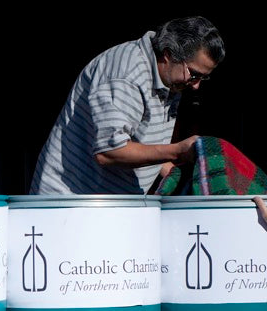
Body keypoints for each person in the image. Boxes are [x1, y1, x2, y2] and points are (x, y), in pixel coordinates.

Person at [30, 16, 223, 195]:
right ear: (168, 54)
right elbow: (110, 151)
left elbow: (142, 143)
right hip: (71, 201)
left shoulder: (170, 76)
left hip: (109, 202)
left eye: (203, 77)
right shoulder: (127, 75)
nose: (196, 85)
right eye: (195, 75)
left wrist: (183, 175)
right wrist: (178, 150)